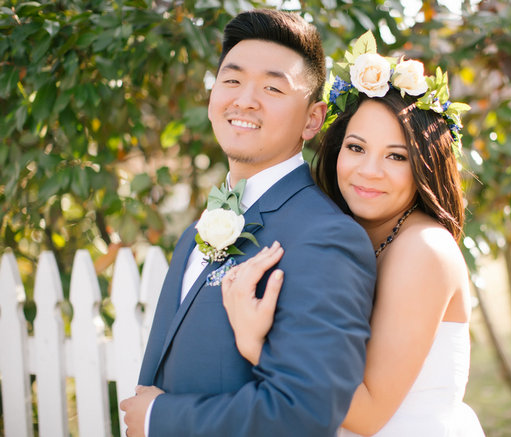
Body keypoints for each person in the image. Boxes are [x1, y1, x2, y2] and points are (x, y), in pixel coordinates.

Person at [119, 10, 377, 437]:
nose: (245, 100)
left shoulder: (326, 236)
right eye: (232, 80)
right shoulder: (196, 232)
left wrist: (157, 419)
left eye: (273, 88)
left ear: (313, 119)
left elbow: (305, 412)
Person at [220, 33, 485, 436]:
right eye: (356, 148)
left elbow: (368, 414)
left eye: (396, 156)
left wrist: (255, 344)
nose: (369, 171)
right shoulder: (343, 236)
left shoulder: (423, 249)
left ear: (425, 165)